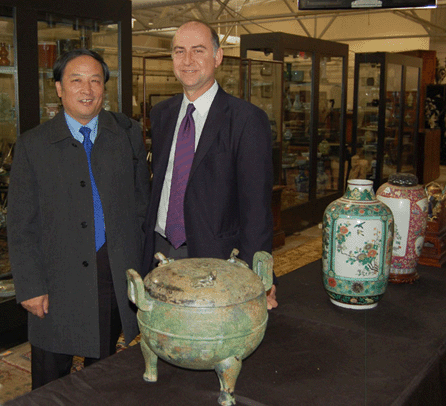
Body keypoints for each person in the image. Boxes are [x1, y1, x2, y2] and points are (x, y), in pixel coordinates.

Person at [7, 49, 150, 389]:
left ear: (104, 88)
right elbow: (20, 223)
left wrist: (138, 272)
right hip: (54, 279)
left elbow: (141, 205)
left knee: (101, 374)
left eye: (95, 80)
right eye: (76, 80)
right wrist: (30, 285)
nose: (87, 89)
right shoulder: (33, 145)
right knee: (50, 377)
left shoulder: (127, 134)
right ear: (58, 88)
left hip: (109, 273)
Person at [141, 20, 278, 309]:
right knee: (165, 337)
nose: (187, 60)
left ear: (217, 57)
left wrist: (259, 277)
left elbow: (256, 209)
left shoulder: (246, 120)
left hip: (217, 260)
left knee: (209, 347)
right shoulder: (161, 115)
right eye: (179, 51)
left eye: (198, 50)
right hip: (160, 251)